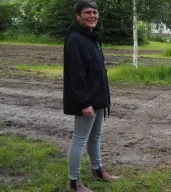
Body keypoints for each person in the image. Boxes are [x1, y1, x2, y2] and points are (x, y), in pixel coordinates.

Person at [63, 0, 119, 191]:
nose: (92, 16)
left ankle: (98, 170)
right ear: (78, 15)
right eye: (87, 12)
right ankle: (74, 182)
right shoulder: (75, 39)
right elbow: (76, 75)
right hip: (86, 100)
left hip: (98, 98)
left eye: (95, 12)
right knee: (79, 139)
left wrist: (101, 100)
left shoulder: (90, 37)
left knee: (95, 137)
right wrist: (85, 102)